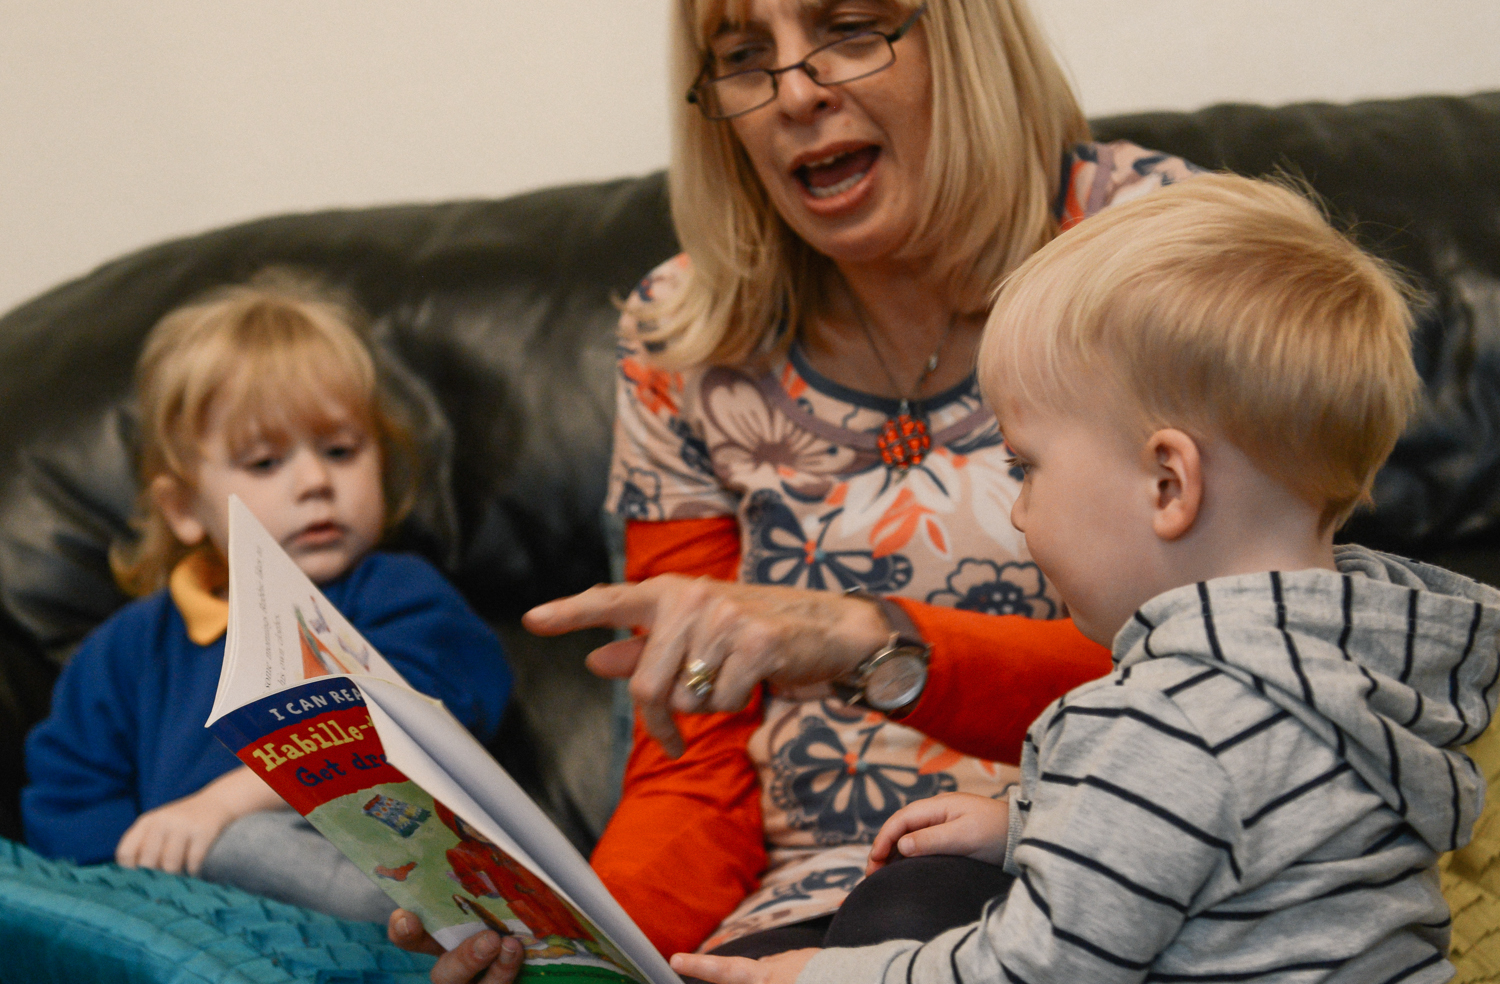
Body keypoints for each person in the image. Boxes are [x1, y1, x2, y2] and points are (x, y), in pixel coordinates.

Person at [393, 0, 1197, 978]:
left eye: (851, 27)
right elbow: (691, 764)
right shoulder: (683, 338)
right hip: (800, 912)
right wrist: (574, 941)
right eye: (742, 56)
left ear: (965, 38)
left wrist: (876, 643)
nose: (797, 92)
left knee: (918, 901)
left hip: (1104, 861)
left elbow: (1223, 666)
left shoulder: (1147, 244)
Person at [674, 174, 1498, 984]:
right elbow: (1236, 842)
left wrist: (820, 976)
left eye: (1026, 466)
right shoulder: (1352, 668)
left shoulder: (1170, 721)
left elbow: (1030, 969)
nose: (1021, 513)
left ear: (1168, 484)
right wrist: (1028, 824)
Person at [22, 271, 513, 922]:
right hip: (193, 918)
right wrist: (139, 882)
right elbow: (68, 800)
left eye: (341, 450)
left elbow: (408, 727)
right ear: (182, 508)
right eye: (264, 463)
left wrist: (227, 802)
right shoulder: (125, 650)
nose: (314, 481)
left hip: (362, 875)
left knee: (246, 842)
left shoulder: (395, 595)